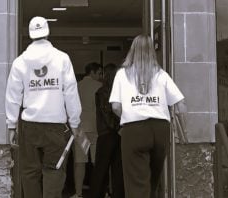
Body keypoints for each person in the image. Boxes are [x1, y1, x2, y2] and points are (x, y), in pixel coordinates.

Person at [5, 16, 82, 198]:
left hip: (30, 126)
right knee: (54, 171)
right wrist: (75, 121)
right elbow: (70, 92)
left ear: (30, 35)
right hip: (56, 125)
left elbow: (13, 95)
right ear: (47, 32)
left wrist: (11, 124)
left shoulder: (20, 62)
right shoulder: (62, 59)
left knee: (30, 173)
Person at [109, 34, 188, 198]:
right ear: (152, 51)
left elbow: (116, 106)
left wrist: (128, 115)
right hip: (160, 129)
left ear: (132, 51)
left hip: (134, 130)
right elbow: (181, 105)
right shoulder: (161, 74)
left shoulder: (122, 74)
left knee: (137, 182)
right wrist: (183, 131)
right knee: (153, 180)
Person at [90, 63, 125, 198]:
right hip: (119, 134)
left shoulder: (102, 92)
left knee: (100, 169)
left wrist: (115, 128)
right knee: (118, 170)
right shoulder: (120, 92)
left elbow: (106, 115)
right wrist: (120, 128)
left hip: (106, 134)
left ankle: (96, 195)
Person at [72, 62, 102, 198]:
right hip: (96, 129)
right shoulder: (100, 87)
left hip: (80, 129)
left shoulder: (76, 87)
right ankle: (100, 191)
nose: (101, 76)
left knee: (80, 162)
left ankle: (78, 193)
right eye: (99, 73)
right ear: (92, 72)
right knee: (97, 162)